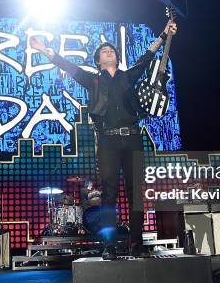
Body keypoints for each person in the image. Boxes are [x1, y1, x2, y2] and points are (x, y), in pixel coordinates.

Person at [30, 19, 177, 259]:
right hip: (107, 141)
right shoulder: (93, 80)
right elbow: (69, 66)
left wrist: (164, 34)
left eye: (112, 51)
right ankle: (109, 245)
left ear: (117, 58)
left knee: (135, 192)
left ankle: (136, 243)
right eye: (104, 51)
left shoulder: (128, 76)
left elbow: (147, 56)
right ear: (99, 60)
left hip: (132, 138)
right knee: (109, 192)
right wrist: (44, 50)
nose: (109, 52)